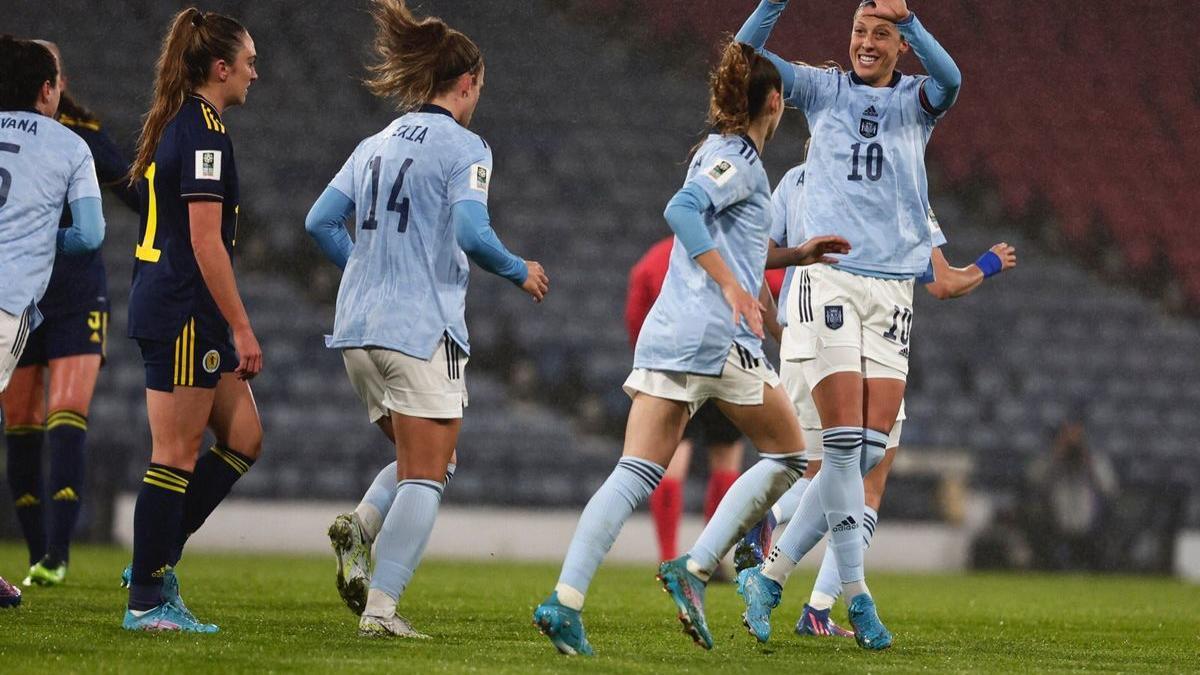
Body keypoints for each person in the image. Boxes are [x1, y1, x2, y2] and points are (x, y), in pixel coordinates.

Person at [533, 40, 847, 657]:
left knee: (633, 473)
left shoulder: (712, 149)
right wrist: (731, 285)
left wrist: (793, 255)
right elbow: (682, 209)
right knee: (790, 454)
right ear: (776, 101)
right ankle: (698, 565)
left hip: (670, 335)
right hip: (716, 339)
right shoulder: (739, 159)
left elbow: (738, 243)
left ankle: (564, 601)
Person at [305, 0, 548, 639]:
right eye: (479, 88)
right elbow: (471, 230)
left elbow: (318, 221)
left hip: (357, 327)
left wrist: (367, 267)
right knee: (428, 474)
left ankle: (359, 527)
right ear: (466, 84)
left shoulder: (375, 142)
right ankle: (381, 611)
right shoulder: (468, 146)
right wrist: (518, 267)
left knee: (433, 460)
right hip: (420, 330)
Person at [732, 0, 962, 650]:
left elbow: (953, 81)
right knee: (838, 446)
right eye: (860, 30)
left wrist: (914, 20)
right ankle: (854, 595)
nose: (866, 41)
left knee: (866, 450)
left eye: (881, 34)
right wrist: (773, 3)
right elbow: (743, 62)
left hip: (891, 289)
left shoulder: (918, 100)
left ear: (898, 45)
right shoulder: (823, 89)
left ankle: (770, 578)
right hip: (831, 279)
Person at [737, 156, 1016, 638]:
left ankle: (794, 582)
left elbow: (757, 253)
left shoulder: (804, 179)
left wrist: (774, 318)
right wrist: (990, 263)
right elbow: (944, 283)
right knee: (852, 465)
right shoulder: (888, 183)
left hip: (838, 328)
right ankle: (825, 588)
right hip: (849, 322)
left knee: (847, 460)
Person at [120, 8, 262, 633]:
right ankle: (147, 599)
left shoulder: (189, 124)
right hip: (183, 308)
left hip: (183, 306)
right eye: (249, 62)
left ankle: (155, 557)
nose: (256, 73)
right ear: (220, 67)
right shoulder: (201, 131)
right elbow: (206, 242)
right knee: (175, 454)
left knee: (245, 437)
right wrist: (242, 325)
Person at [2, 39, 139, 589]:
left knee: (64, 414)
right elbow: (92, 229)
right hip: (22, 296)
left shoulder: (83, 130)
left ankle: (54, 554)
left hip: (71, 296)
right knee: (24, 424)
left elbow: (132, 184)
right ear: (47, 85)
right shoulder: (68, 142)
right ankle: (42, 551)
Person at [1025, 418, 1116, 570]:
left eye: (1077, 438)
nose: (1072, 443)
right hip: (1057, 517)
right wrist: (1056, 455)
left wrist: (1088, 462)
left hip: (1088, 518)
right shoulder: (1050, 459)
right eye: (1069, 437)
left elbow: (1109, 487)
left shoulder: (1095, 460)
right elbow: (1033, 481)